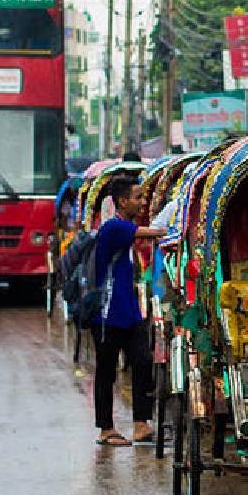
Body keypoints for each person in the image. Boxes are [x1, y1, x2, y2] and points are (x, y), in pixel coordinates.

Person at [92, 176, 166, 446]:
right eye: (137, 197)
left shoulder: (123, 227)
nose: (141, 201)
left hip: (129, 312)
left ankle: (140, 424)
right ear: (122, 201)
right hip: (107, 314)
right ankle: (106, 428)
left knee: (143, 362)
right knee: (106, 372)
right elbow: (151, 233)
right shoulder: (113, 228)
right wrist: (170, 224)